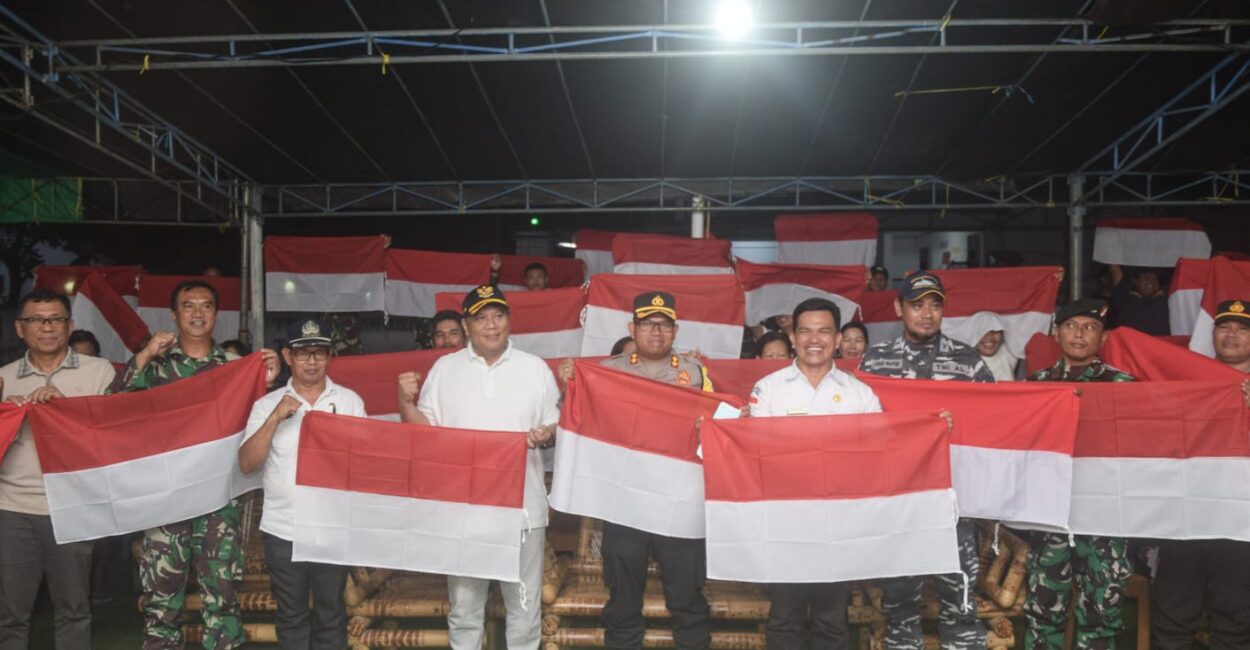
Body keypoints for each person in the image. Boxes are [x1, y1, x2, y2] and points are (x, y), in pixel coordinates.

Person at [396, 285, 557, 650]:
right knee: (465, 610)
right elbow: (424, 435)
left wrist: (548, 433)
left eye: (498, 316)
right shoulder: (445, 368)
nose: (491, 325)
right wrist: (404, 404)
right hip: (464, 511)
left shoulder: (534, 369)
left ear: (509, 321)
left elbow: (555, 424)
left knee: (524, 609)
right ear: (467, 326)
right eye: (481, 318)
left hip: (522, 511)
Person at [122, 279, 279, 650]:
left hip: (217, 501)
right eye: (188, 305)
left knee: (222, 598)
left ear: (216, 314)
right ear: (173, 314)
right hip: (166, 499)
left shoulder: (234, 368)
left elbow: (259, 423)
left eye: (206, 305)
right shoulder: (157, 367)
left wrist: (267, 382)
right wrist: (145, 353)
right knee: (161, 602)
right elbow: (116, 406)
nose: (197, 313)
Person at [558, 291, 714, 650]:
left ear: (675, 331)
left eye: (664, 325)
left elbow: (714, 426)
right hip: (624, 505)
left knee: (687, 598)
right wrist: (571, 385)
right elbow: (576, 417)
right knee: (623, 599)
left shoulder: (695, 372)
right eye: (647, 324)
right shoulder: (609, 371)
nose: (656, 332)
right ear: (632, 329)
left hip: (678, 504)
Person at [859, 271, 993, 650]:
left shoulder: (968, 361)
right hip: (900, 499)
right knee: (900, 601)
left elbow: (991, 422)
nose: (927, 313)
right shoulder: (876, 361)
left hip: (954, 501)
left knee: (960, 597)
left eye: (935, 305)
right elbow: (861, 426)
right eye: (917, 305)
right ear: (899, 308)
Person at [749, 298, 882, 650]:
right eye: (805, 331)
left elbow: (877, 455)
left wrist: (931, 428)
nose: (814, 339)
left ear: (837, 339)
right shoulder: (768, 389)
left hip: (837, 525)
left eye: (824, 331)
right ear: (793, 338)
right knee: (784, 619)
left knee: (832, 621)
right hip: (785, 523)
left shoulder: (860, 395)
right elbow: (756, 452)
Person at [0, 289, 115, 649]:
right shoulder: (3, 378)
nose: (46, 327)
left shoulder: (99, 371)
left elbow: (110, 437)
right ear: (20, 328)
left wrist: (65, 411)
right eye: (36, 319)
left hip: (73, 507)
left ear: (69, 325)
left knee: (74, 610)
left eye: (55, 319)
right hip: (12, 507)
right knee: (11, 614)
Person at [239, 319, 364, 649]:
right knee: (291, 615)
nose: (312, 361)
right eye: (303, 353)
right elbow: (247, 464)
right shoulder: (267, 405)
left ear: (329, 356)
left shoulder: (349, 401)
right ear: (287, 356)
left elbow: (364, 463)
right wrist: (276, 417)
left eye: (319, 352)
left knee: (331, 614)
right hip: (284, 528)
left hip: (332, 526)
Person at [1026, 298, 1133, 650]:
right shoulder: (1035, 385)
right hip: (1051, 517)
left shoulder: (1126, 387)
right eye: (1071, 326)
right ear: (1056, 332)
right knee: (1043, 613)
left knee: (1101, 615)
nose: (1079, 334)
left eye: (1090, 327)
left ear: (1103, 338)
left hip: (1105, 518)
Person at [1151, 299, 1250, 649]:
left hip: (1241, 517)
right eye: (1224, 326)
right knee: (1174, 607)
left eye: (1242, 328)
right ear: (1213, 334)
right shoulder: (1188, 381)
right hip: (1188, 510)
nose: (1231, 334)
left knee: (1236, 612)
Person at [1108, 265, 1169, 335]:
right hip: (1131, 341)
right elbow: (1115, 271)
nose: (1151, 281)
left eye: (1155, 279)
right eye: (1146, 278)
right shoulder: (1125, 297)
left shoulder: (1165, 299)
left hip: (1161, 341)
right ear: (1135, 281)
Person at [970, 314, 1018, 382]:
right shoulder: (964, 358)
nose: (989, 336)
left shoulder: (1008, 352)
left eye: (995, 330)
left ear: (1002, 334)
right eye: (982, 331)